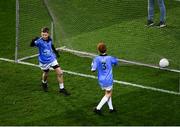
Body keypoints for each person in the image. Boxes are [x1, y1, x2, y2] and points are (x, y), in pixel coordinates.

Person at [30, 27, 70, 96]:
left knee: (60, 73)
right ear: (41, 34)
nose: (44, 36)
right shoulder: (39, 41)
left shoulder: (49, 39)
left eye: (45, 35)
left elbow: (51, 45)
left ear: (48, 34)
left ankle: (62, 89)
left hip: (52, 59)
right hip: (44, 61)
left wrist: (56, 52)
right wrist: (33, 40)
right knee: (46, 73)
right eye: (42, 35)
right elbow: (31, 45)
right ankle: (44, 82)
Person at [91, 42, 118, 115]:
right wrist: (114, 62)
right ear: (106, 49)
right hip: (108, 79)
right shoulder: (110, 58)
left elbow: (93, 70)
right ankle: (98, 108)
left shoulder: (96, 59)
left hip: (101, 80)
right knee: (108, 93)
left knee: (107, 92)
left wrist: (93, 63)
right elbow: (116, 63)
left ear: (98, 50)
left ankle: (111, 108)